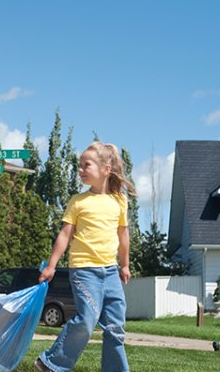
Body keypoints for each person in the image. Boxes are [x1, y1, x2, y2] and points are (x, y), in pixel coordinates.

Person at [33, 141, 134, 372]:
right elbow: (65, 234)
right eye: (79, 166)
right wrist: (51, 266)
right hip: (83, 271)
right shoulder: (78, 201)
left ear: (105, 169)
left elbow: (123, 235)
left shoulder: (119, 200)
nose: (80, 170)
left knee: (115, 327)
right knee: (87, 320)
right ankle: (51, 363)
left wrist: (125, 264)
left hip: (109, 272)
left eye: (86, 165)